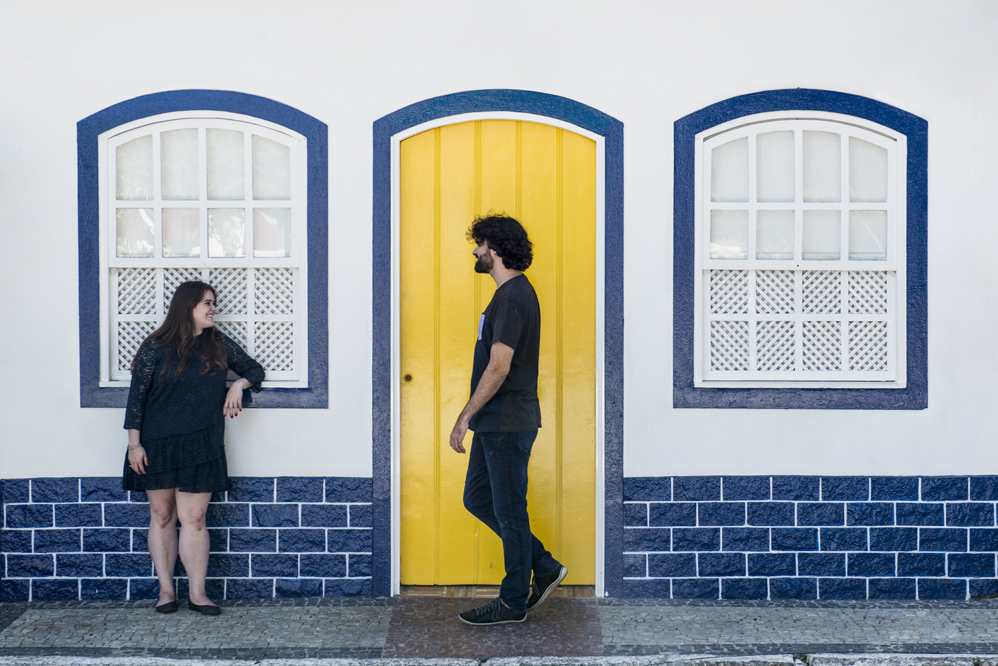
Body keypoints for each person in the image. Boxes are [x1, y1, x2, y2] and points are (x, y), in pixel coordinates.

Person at [448, 214, 568, 625]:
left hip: (506, 421)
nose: (476, 251)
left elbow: (499, 367)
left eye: (479, 243)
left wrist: (465, 415)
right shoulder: (507, 295)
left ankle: (514, 600)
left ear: (494, 248)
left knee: (510, 510)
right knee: (479, 499)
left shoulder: (514, 296)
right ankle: (545, 566)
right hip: (496, 422)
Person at [123, 280, 264, 615]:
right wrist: (134, 445)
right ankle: (166, 591)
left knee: (195, 518)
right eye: (208, 303)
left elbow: (254, 369)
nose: (214, 309)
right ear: (187, 307)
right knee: (162, 515)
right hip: (157, 444)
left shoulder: (218, 344)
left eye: (213, 303)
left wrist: (238, 386)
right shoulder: (155, 347)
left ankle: (198, 595)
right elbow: (136, 400)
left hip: (203, 442)